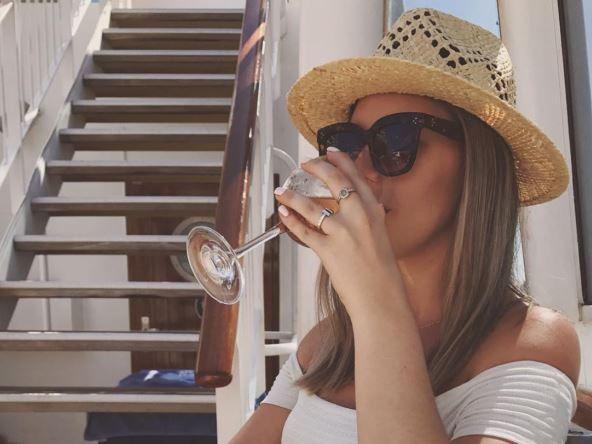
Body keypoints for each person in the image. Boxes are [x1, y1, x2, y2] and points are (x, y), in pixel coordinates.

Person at [229, 7, 581, 444]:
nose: (359, 172)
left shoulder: (530, 340)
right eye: (348, 145)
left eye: (396, 142)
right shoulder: (329, 343)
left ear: (476, 170)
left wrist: (373, 299)